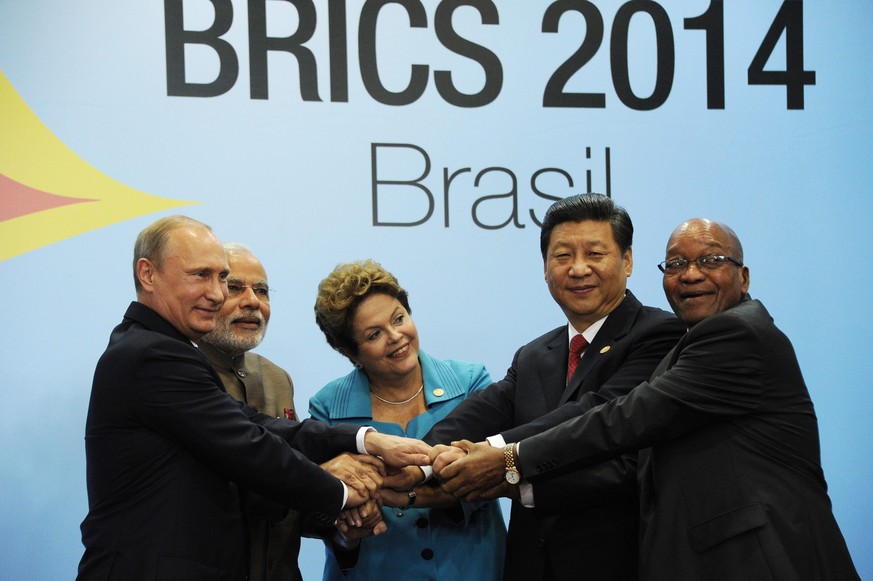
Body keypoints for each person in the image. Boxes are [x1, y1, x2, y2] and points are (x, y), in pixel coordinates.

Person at [435, 218, 860, 580]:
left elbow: (621, 418)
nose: (690, 275)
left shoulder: (736, 334)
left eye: (711, 260)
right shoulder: (684, 347)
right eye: (676, 264)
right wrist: (421, 458)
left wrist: (508, 460)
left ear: (743, 277)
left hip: (762, 559)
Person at [77, 215, 431, 581]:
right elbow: (249, 449)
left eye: (221, 278)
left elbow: (257, 427)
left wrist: (365, 440)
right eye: (202, 276)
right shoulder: (154, 354)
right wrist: (339, 489)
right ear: (148, 274)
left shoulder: (176, 353)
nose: (216, 293)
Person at [405, 193, 684, 580]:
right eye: (563, 256)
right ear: (545, 269)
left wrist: (495, 458)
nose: (578, 269)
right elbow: (480, 413)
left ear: (628, 260)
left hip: (617, 564)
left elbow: (593, 414)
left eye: (595, 254)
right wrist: (417, 461)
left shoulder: (662, 335)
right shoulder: (535, 354)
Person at [309, 259, 507, 580]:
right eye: (374, 334)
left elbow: (494, 477)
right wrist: (349, 529)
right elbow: (322, 512)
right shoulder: (327, 408)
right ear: (350, 352)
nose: (395, 336)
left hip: (471, 568)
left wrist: (406, 496)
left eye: (399, 318)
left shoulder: (470, 382)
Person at [201, 242, 379, 581]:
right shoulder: (181, 374)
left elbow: (291, 513)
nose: (252, 301)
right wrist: (325, 478)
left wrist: (345, 526)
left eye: (262, 291)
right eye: (234, 287)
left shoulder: (276, 378)